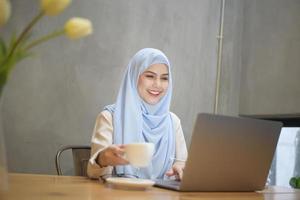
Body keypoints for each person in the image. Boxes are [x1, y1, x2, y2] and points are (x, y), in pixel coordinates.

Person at [87, 48, 187, 180]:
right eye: (150, 76)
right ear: (134, 76)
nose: (158, 84)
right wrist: (103, 159)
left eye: (164, 78)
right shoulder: (110, 117)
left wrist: (181, 167)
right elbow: (93, 173)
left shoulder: (173, 122)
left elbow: (182, 163)